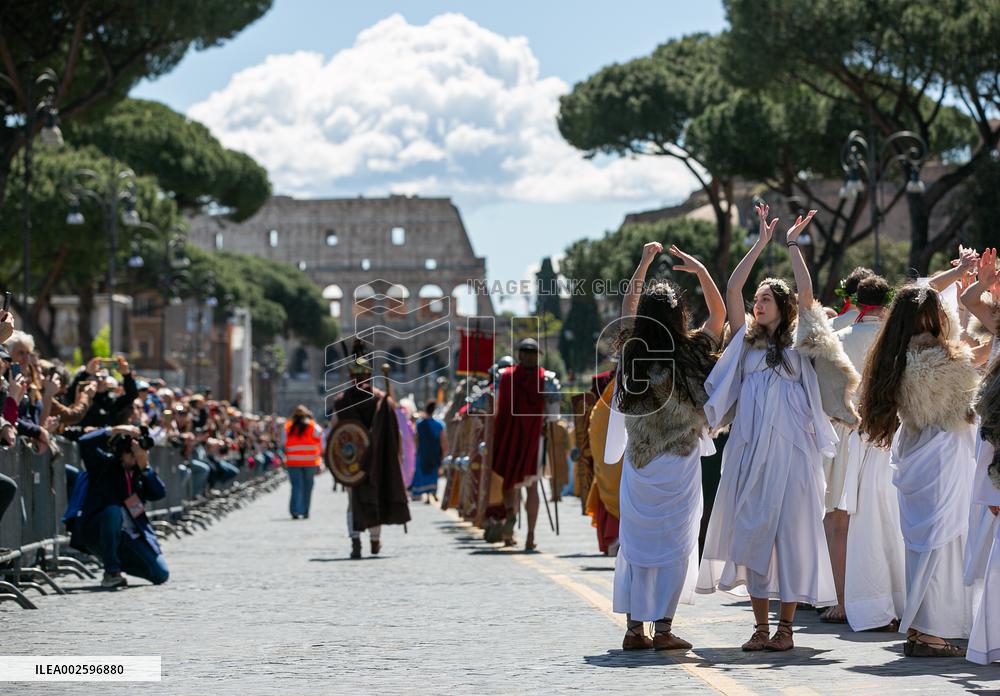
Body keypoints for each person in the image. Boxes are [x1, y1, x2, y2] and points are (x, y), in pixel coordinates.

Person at [698, 203, 855, 652]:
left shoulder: (800, 342)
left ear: (782, 307)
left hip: (794, 455)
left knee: (791, 538)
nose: (757, 303)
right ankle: (760, 628)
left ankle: (785, 629)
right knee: (752, 536)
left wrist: (790, 245)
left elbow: (806, 292)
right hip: (749, 454)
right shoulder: (744, 345)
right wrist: (760, 243)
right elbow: (732, 286)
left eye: (766, 299)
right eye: (757, 300)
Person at [604, 242, 725, 651]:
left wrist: (641, 265)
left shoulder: (633, 352)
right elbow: (720, 315)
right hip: (680, 461)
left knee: (637, 546)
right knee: (677, 543)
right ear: (679, 316)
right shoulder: (691, 351)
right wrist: (702, 271)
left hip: (640, 465)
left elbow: (627, 307)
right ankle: (665, 629)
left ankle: (635, 629)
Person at [859, 284, 979, 657]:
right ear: (933, 317)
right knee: (944, 546)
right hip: (945, 459)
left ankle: (919, 629)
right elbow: (969, 403)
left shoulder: (895, 357)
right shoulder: (942, 358)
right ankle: (930, 631)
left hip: (916, 455)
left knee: (921, 546)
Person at [836, 275, 907, 632]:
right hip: (896, 436)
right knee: (892, 521)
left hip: (855, 434)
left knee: (858, 522)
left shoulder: (840, 338)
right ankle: (898, 599)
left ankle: (855, 600)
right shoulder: (898, 343)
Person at [328, 343, 411, 559]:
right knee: (374, 498)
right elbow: (394, 434)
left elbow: (336, 432)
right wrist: (397, 456)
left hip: (351, 461)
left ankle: (355, 539)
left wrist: (336, 462)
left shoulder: (341, 401)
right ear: (369, 374)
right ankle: (375, 540)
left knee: (352, 501)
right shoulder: (380, 399)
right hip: (376, 459)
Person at [64, 424, 169, 588]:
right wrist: (115, 430)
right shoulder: (103, 466)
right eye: (131, 452)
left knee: (160, 574)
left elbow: (159, 493)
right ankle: (111, 571)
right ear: (121, 453)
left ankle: (117, 562)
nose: (135, 456)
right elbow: (85, 442)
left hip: (129, 537)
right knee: (113, 511)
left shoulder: (140, 473)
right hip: (98, 531)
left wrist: (146, 467)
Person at [283, 405, 323, 519]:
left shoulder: (288, 427)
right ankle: (305, 511)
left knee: (296, 486)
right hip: (310, 462)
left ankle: (295, 510)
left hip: (293, 462)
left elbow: (283, 442)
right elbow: (321, 440)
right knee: (307, 487)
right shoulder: (313, 426)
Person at [412, 401, 447, 502]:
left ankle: (426, 495)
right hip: (434, 452)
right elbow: (443, 440)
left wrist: (417, 449)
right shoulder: (439, 424)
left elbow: (415, 438)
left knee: (424, 473)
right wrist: (444, 452)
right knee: (433, 473)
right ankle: (432, 493)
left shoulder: (419, 423)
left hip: (422, 452)